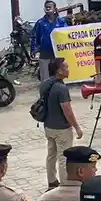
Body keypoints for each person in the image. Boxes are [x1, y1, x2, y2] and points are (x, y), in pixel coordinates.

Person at [39, 58, 83, 188]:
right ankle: (66, 186)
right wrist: (77, 127)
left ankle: (52, 181)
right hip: (62, 129)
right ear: (59, 71)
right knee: (64, 157)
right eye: (66, 67)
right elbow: (67, 110)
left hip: (48, 126)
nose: (68, 69)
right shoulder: (61, 88)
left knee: (51, 155)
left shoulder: (44, 84)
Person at [33, 1, 69, 82]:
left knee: (59, 74)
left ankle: (57, 90)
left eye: (50, 7)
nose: (48, 8)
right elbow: (36, 36)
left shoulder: (61, 21)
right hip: (45, 52)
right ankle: (45, 92)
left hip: (58, 53)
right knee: (45, 76)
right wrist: (35, 49)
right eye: (46, 7)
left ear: (55, 9)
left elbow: (67, 34)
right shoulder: (40, 22)